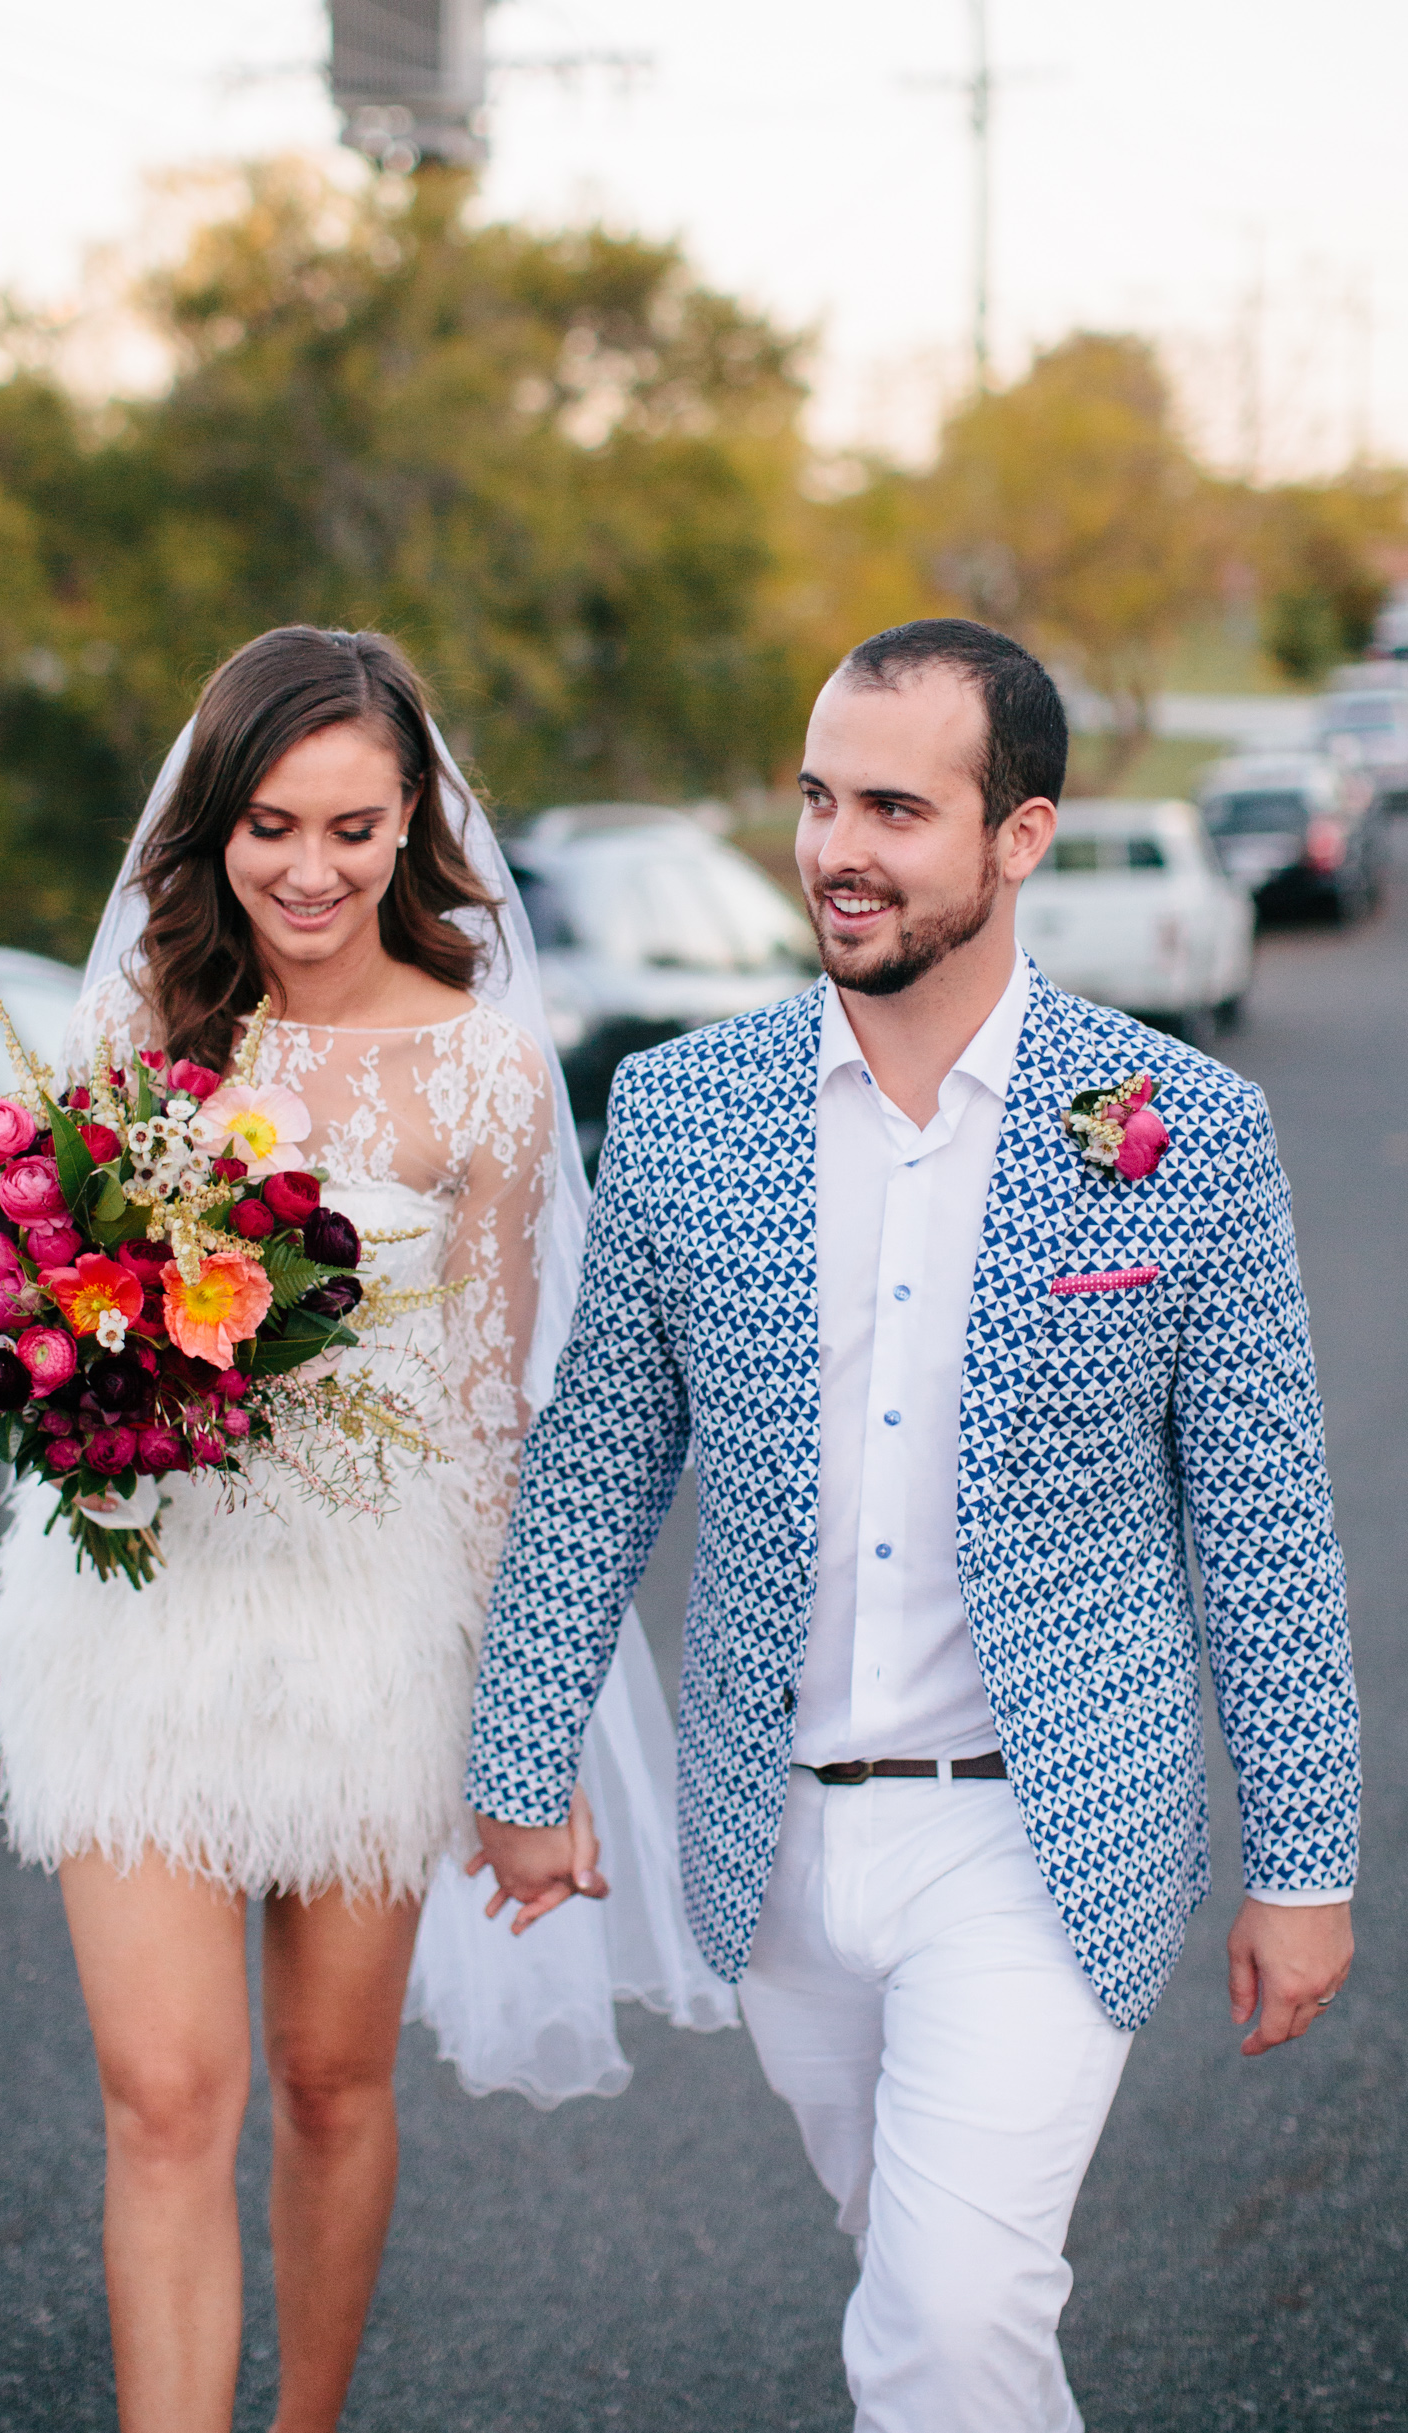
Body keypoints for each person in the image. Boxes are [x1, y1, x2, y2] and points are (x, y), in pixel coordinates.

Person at [466, 618, 1360, 2430]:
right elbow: (601, 1462)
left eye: (892, 805)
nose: (835, 848)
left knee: (940, 2329)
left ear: (1016, 835)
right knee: (950, 2313)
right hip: (777, 1851)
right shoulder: (685, 1106)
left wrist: (1304, 1862)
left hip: (1037, 1845)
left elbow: (1266, 1523)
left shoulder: (1180, 1128)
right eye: (815, 799)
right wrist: (520, 1752)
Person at [0, 624, 732, 2433]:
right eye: (268, 825)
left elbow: (493, 1425)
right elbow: (39, 1310)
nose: (308, 870)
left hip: (373, 1630)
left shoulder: (480, 1073)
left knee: (326, 2084)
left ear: (415, 828)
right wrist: (60, 1366)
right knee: (165, 2095)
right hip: (145, 1612)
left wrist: (517, 1743)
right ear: (212, 824)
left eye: (352, 827)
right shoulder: (139, 1036)